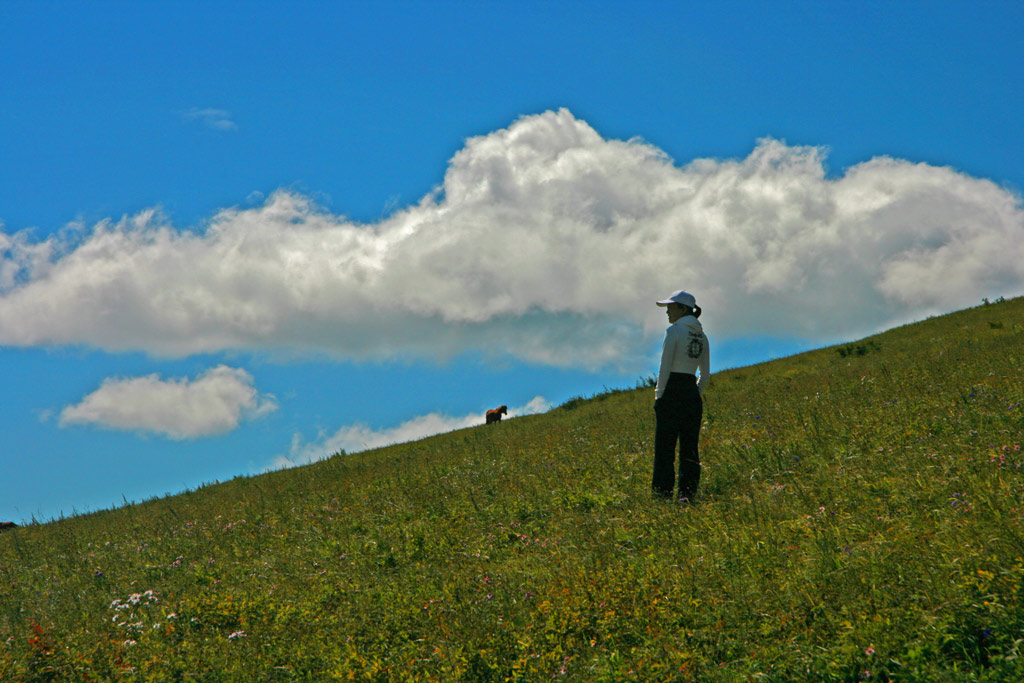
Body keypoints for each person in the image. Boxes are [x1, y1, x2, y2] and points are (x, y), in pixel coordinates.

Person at [652, 290, 709, 502]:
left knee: (665, 449)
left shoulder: (674, 331)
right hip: (691, 393)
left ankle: (662, 496)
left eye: (671, 307)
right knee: (690, 448)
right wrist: (695, 392)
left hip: (671, 391)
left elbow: (664, 368)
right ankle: (687, 494)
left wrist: (660, 396)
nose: (667, 311)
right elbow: (705, 374)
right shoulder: (702, 336)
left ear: (682, 309)